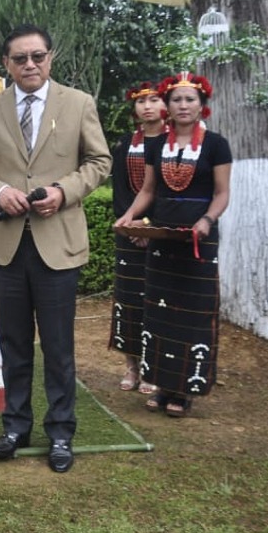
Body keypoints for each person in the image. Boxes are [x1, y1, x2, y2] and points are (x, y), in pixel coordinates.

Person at [0, 24, 111, 472]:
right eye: (20, 58)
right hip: (7, 244)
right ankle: (15, 426)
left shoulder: (79, 103)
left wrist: (64, 192)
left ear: (50, 58)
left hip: (58, 243)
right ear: (6, 64)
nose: (30, 65)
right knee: (13, 342)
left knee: (59, 345)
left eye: (38, 56)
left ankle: (61, 432)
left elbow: (100, 162)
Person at [114, 72, 231, 418]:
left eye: (189, 100)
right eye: (177, 100)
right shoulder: (157, 145)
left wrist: (206, 220)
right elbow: (149, 191)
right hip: (163, 237)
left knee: (190, 315)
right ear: (169, 105)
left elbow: (222, 193)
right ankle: (163, 386)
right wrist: (129, 216)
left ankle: (184, 390)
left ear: (202, 105)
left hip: (198, 239)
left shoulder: (216, 144)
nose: (182, 105)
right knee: (160, 312)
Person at [109, 82, 166, 401]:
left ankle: (155, 366)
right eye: (141, 101)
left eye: (154, 99)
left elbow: (171, 192)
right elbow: (120, 189)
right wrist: (131, 225)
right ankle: (132, 365)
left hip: (164, 233)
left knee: (158, 302)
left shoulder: (177, 143)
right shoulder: (124, 144)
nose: (147, 107)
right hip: (129, 231)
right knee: (129, 301)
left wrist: (151, 226)